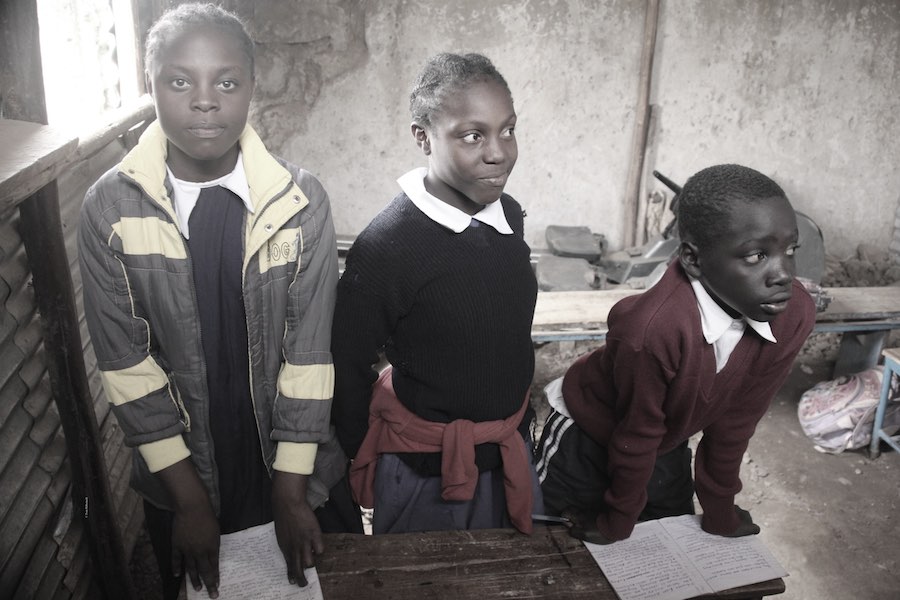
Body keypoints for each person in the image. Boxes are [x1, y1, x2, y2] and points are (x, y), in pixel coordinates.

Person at [77, 4, 361, 599]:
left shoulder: (299, 201)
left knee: (316, 584)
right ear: (149, 85)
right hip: (183, 470)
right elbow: (129, 370)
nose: (205, 100)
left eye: (226, 82)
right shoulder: (111, 211)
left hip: (294, 461)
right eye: (180, 82)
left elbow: (309, 357)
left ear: (251, 88)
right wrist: (187, 499)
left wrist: (290, 490)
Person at [535, 164, 816, 544]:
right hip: (587, 438)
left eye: (790, 249)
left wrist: (720, 513)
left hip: (664, 442)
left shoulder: (792, 313)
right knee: (557, 546)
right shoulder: (652, 330)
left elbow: (736, 421)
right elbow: (637, 432)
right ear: (693, 259)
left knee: (667, 545)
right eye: (755, 256)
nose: (782, 273)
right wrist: (616, 521)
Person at [331, 52, 544, 534]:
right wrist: (376, 451)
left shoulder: (507, 214)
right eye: (473, 135)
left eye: (507, 130)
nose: (499, 152)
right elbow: (344, 362)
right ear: (422, 136)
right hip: (426, 472)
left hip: (506, 449)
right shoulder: (388, 247)